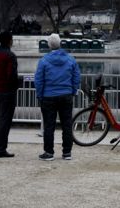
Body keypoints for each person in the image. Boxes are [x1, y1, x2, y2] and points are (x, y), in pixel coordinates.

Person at [34, 33, 81, 161]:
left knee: (49, 125)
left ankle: (49, 152)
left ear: (49, 45)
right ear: (60, 43)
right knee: (67, 125)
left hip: (48, 96)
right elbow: (77, 76)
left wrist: (40, 94)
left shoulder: (44, 60)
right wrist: (73, 90)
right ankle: (67, 152)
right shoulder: (70, 59)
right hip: (66, 95)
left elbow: (38, 80)